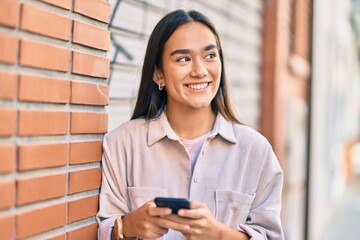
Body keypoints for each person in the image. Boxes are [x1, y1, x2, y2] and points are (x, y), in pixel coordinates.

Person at [97, 9, 284, 240]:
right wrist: (127, 227)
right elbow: (103, 228)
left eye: (210, 56)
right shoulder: (121, 144)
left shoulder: (255, 150)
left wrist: (219, 235)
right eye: (183, 59)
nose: (200, 71)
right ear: (158, 75)